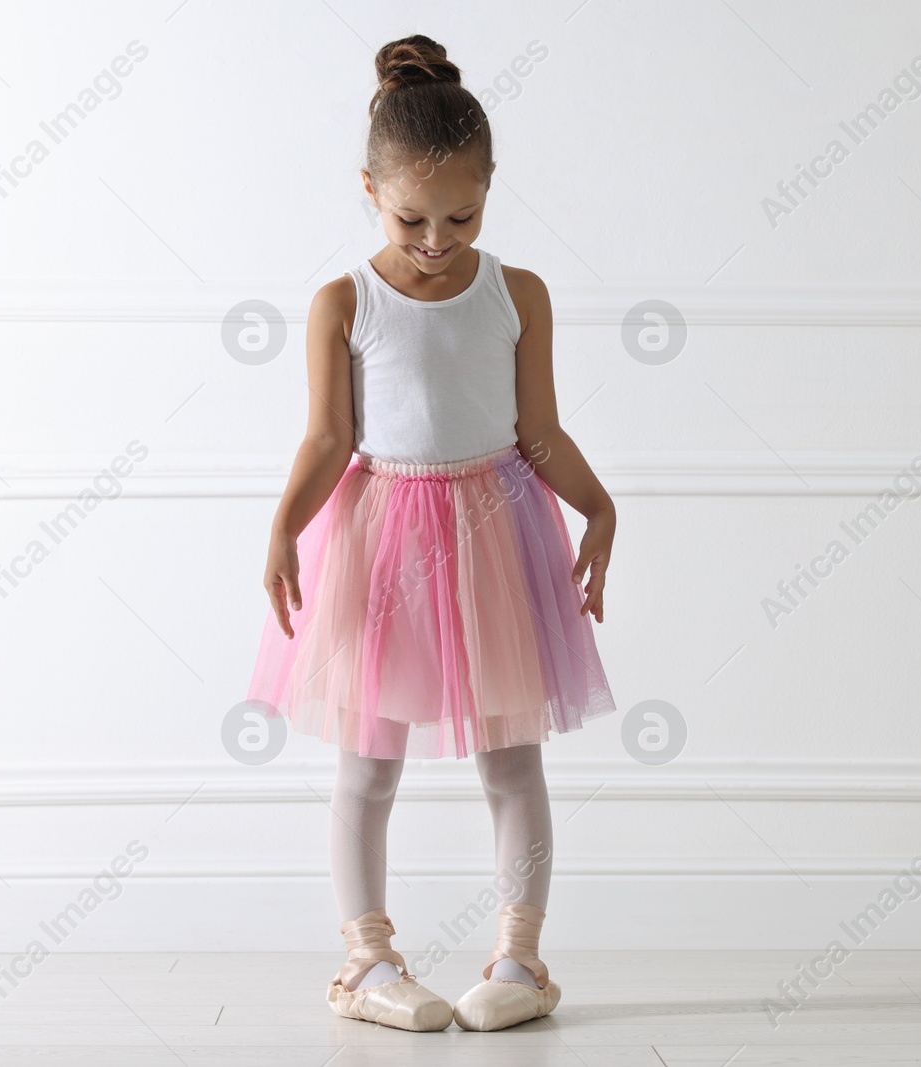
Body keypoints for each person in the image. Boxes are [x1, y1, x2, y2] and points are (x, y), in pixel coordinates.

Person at [246, 33, 617, 1034]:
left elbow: (536, 429)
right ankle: (366, 959)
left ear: (490, 191)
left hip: (498, 530)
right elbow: (330, 435)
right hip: (383, 538)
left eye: (463, 214)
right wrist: (284, 527)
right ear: (367, 188)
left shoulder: (517, 293)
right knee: (367, 761)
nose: (437, 238)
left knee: (512, 759)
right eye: (413, 216)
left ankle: (519, 954)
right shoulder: (342, 303)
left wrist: (598, 505)